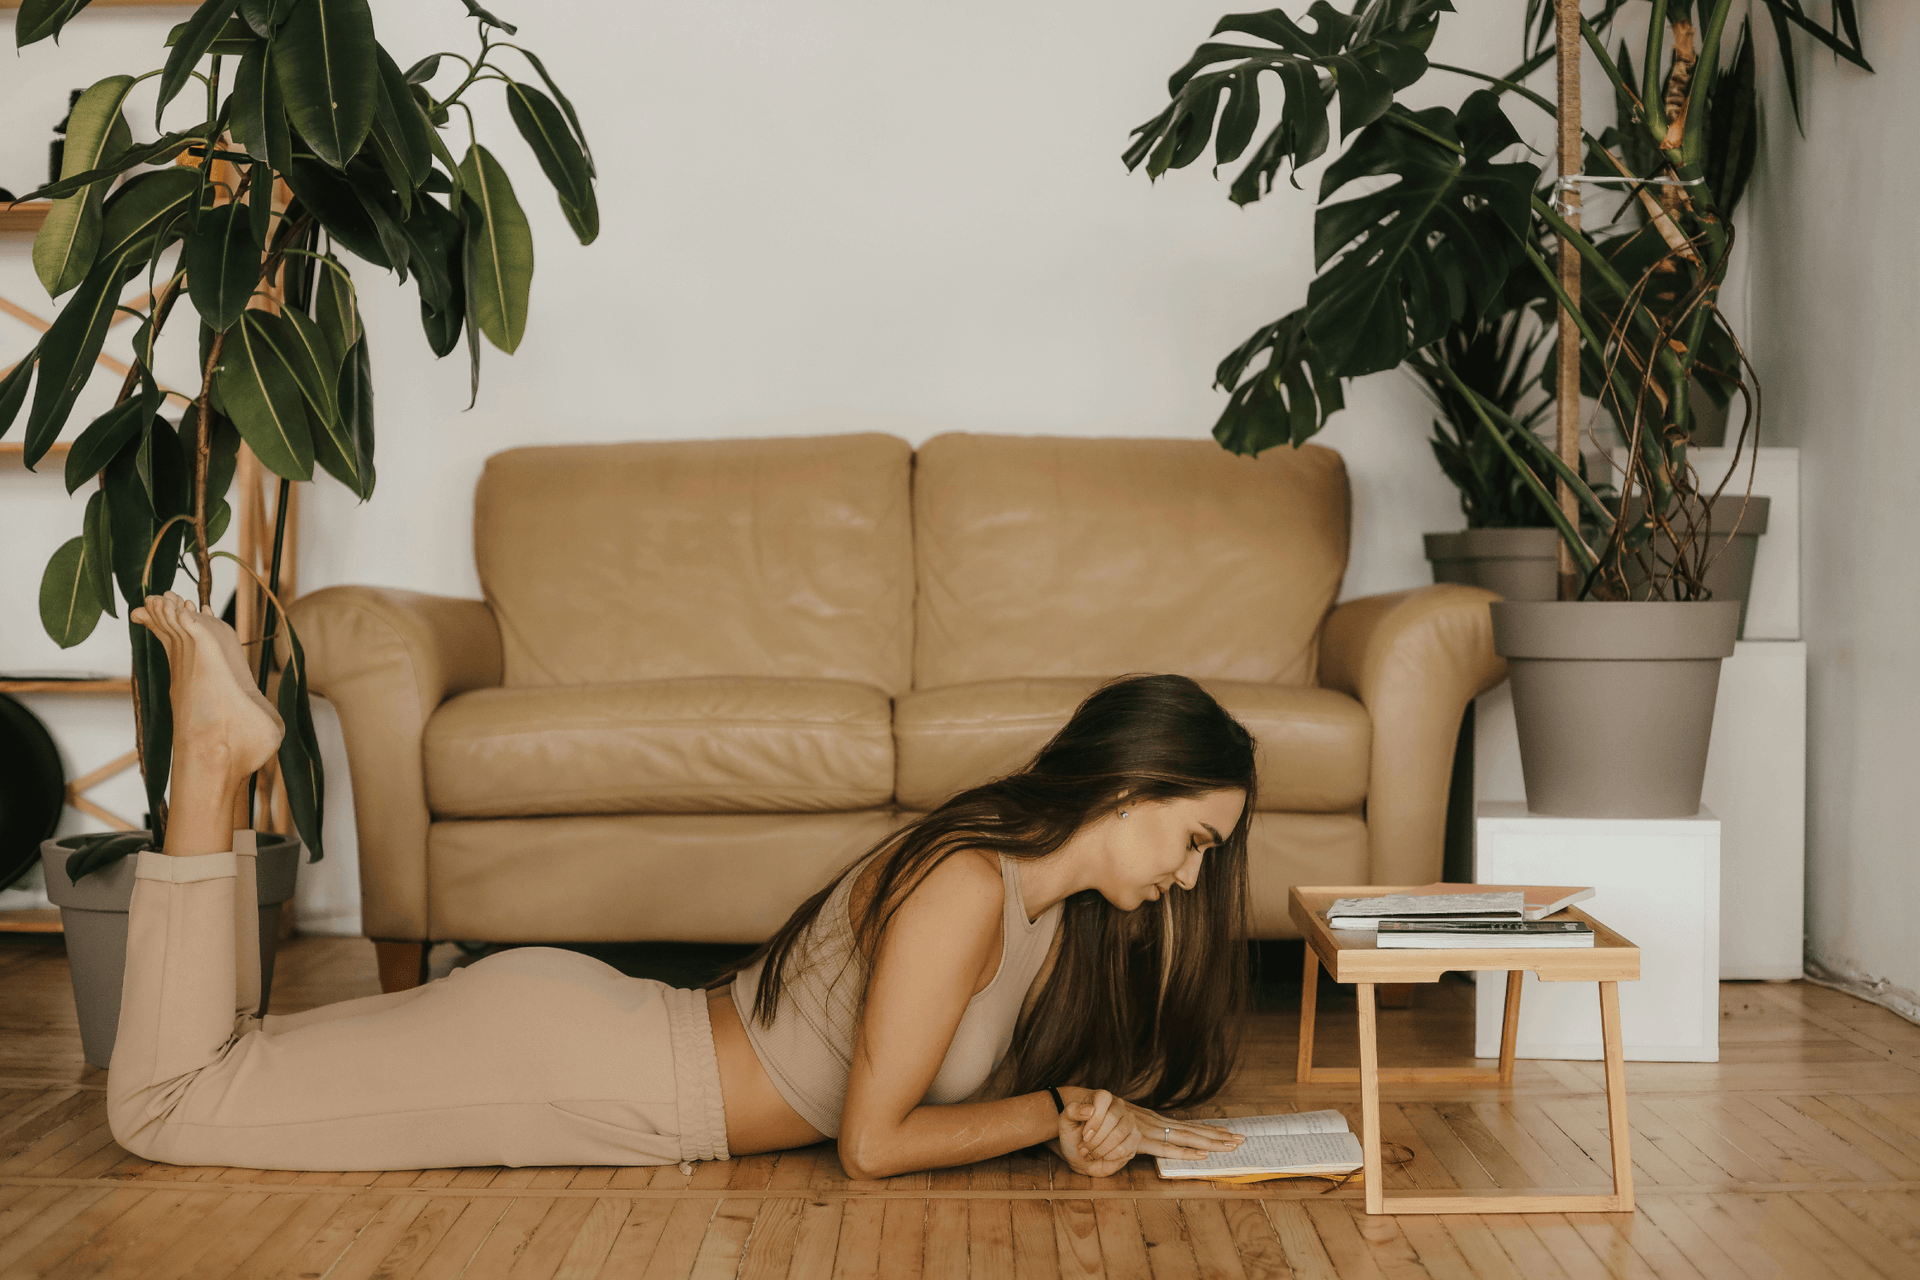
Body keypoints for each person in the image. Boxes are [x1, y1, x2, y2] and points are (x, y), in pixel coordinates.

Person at [108, 591, 1256, 1178]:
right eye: (1195, 837)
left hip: (595, 1042)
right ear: (1128, 785)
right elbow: (873, 1143)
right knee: (168, 1106)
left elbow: (943, 1095)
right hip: (587, 1077)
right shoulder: (970, 882)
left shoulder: (1042, 916)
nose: (1189, 874)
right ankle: (211, 755)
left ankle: (213, 755)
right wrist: (1051, 1113)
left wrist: (1086, 1119)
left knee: (233, 1065)